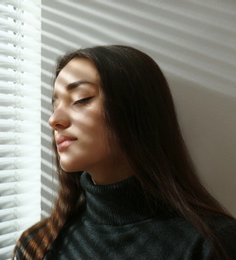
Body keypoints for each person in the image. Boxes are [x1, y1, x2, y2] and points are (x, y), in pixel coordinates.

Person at [13, 45, 236, 259]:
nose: (54, 120)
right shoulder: (38, 245)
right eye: (55, 105)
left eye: (81, 99)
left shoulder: (212, 244)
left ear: (136, 112)